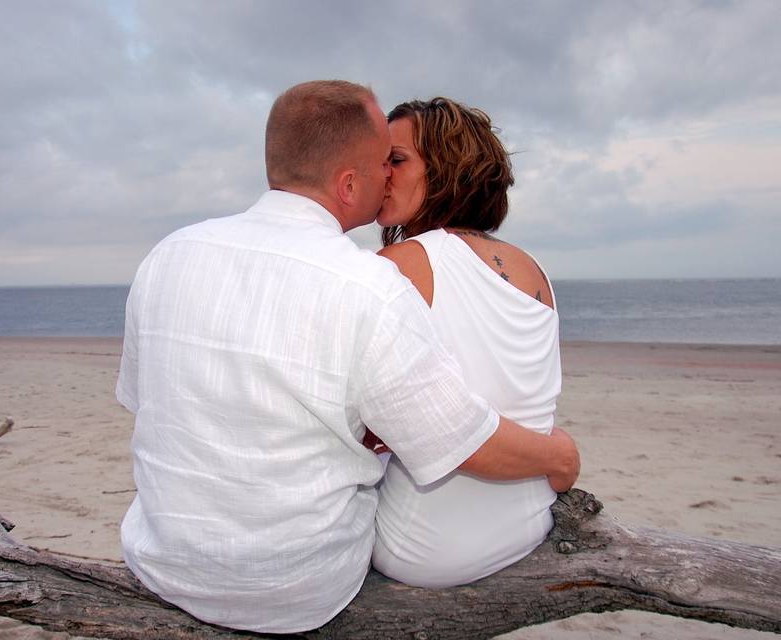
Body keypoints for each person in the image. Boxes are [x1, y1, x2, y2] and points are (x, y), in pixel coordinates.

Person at [116, 81, 579, 633]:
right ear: (349, 181)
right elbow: (458, 435)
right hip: (317, 585)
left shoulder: (168, 253)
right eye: (385, 160)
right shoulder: (383, 282)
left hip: (163, 561)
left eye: (397, 160)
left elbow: (144, 402)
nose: (387, 174)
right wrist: (558, 456)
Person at [372, 97, 563, 587]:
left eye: (396, 159)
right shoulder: (532, 267)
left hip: (425, 549)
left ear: (446, 169)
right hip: (528, 522)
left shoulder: (398, 264)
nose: (381, 174)